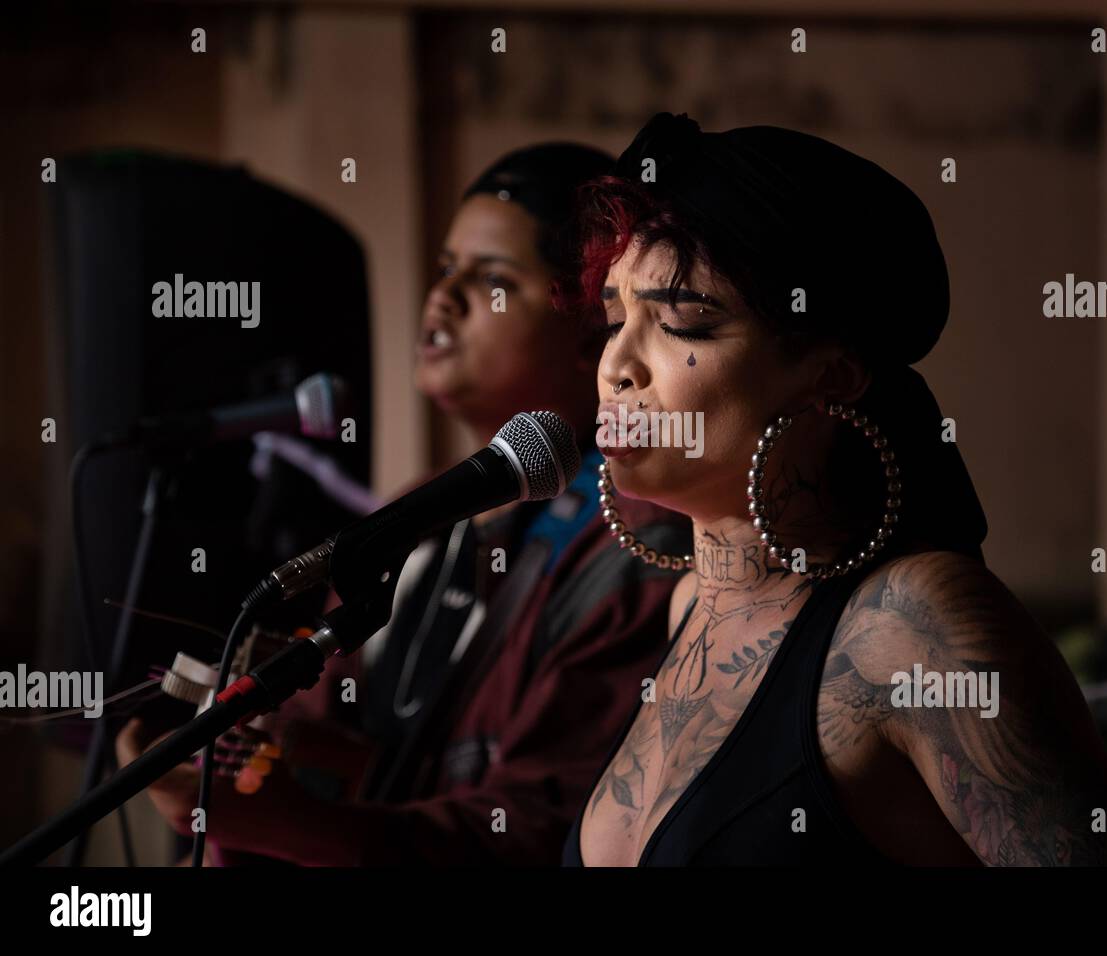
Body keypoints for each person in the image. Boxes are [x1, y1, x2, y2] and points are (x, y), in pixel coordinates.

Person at [562, 113, 1107, 866]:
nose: (617, 364)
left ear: (830, 373)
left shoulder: (913, 627)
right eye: (617, 314)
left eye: (684, 319)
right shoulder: (691, 606)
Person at [117, 142, 690, 866]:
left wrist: (286, 821)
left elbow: (544, 830)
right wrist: (256, 747)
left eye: (492, 279)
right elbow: (346, 732)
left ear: (591, 329)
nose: (440, 298)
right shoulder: (420, 510)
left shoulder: (638, 537)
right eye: (447, 268)